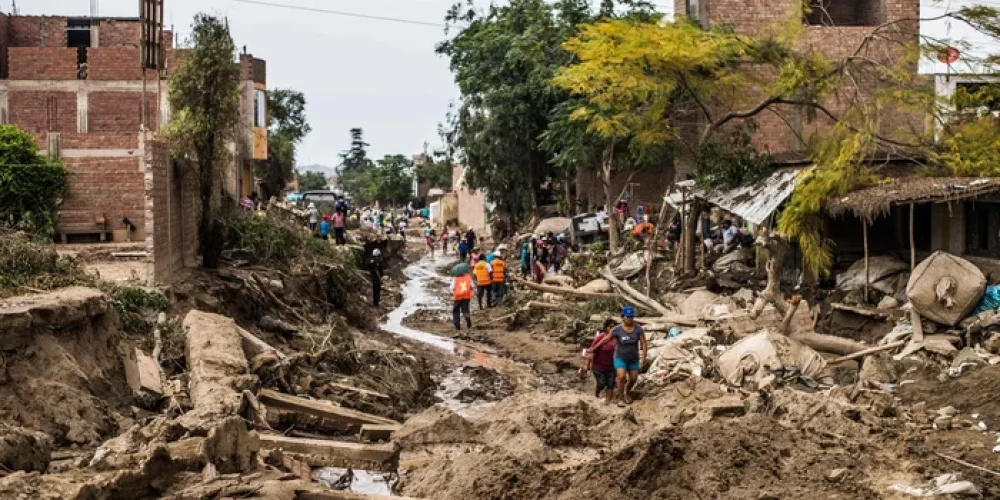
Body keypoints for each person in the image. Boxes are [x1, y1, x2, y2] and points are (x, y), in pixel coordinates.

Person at [587, 306, 647, 407]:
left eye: (631, 317)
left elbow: (644, 343)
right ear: (623, 317)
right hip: (620, 357)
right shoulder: (617, 330)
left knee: (633, 378)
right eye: (628, 317)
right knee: (621, 377)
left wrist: (644, 357)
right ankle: (621, 399)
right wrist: (594, 348)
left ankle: (627, 392)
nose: (630, 319)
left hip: (633, 358)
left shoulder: (638, 329)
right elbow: (605, 340)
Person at [583, 319, 618, 404]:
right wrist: (587, 364)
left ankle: (608, 401)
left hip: (611, 366)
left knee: (611, 384)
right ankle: (597, 393)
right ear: (606, 328)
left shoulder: (617, 338)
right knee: (601, 383)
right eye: (610, 327)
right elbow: (591, 350)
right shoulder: (601, 337)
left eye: (614, 327)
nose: (612, 329)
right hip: (598, 366)